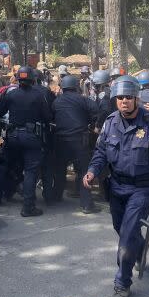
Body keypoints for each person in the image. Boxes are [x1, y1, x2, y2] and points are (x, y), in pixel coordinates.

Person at [83, 77, 149, 297]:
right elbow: (100, 152)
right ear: (115, 100)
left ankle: (122, 283)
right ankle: (139, 248)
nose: (124, 102)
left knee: (127, 236)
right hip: (117, 186)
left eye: (129, 97)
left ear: (136, 98)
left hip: (142, 189)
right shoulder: (110, 123)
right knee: (120, 229)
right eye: (120, 98)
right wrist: (91, 171)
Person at [0, 66, 52, 216]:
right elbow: (47, 117)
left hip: (13, 137)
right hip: (31, 137)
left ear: (18, 78)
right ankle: (28, 207)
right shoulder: (38, 96)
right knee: (31, 171)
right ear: (32, 79)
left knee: (5, 165)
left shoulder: (11, 95)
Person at [50, 74, 99, 212]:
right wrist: (91, 122)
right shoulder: (83, 100)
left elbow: (51, 117)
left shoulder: (56, 102)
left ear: (63, 87)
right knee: (84, 171)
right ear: (76, 87)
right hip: (79, 141)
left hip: (61, 141)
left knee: (59, 170)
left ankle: (56, 196)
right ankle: (87, 204)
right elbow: (96, 111)